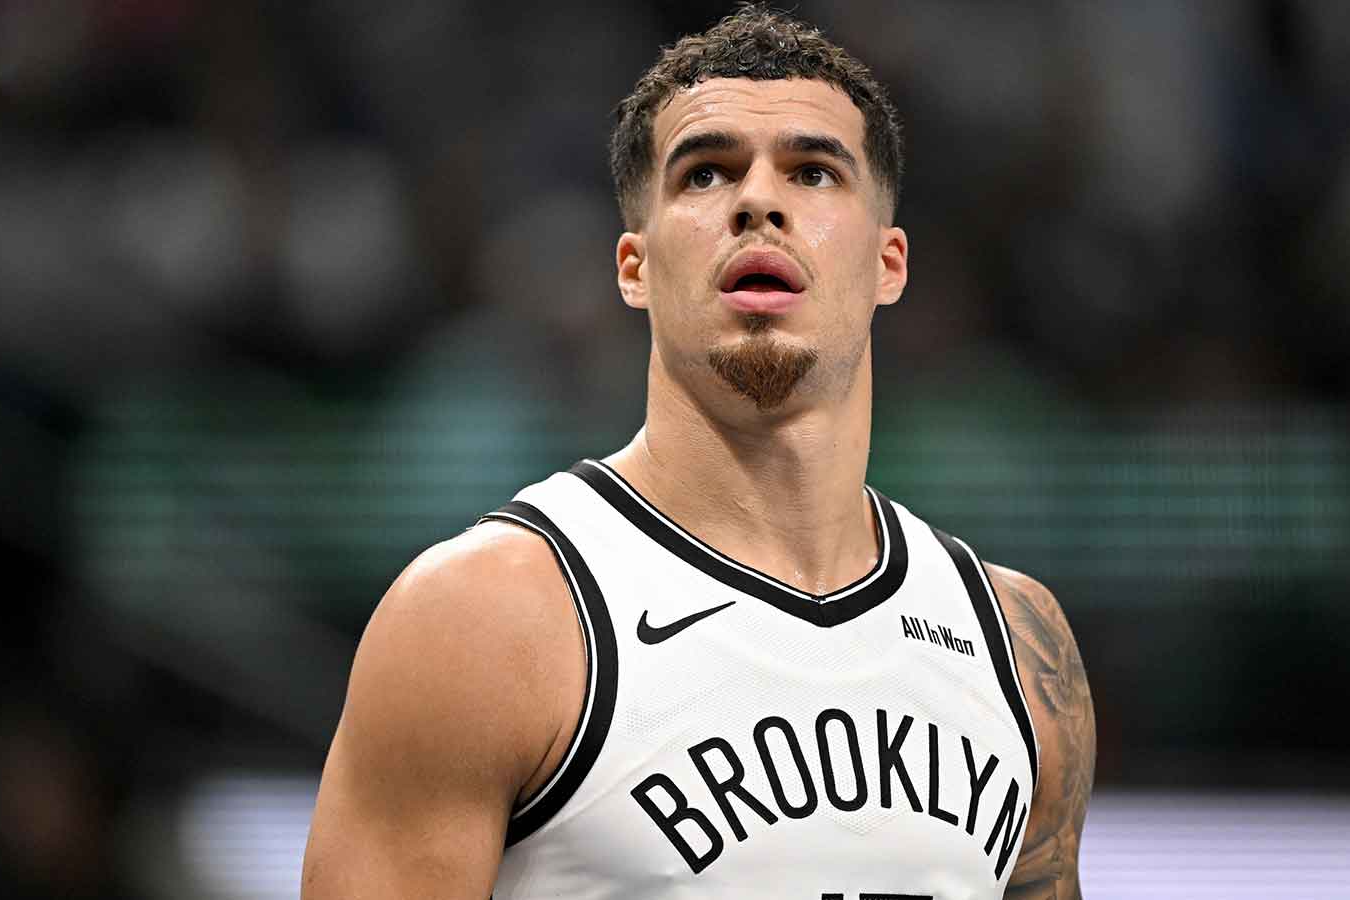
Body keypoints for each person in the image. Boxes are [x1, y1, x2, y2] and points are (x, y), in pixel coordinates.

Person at [301, 5, 1095, 898]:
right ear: (634, 267)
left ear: (889, 262)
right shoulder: (486, 620)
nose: (760, 200)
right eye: (707, 172)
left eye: (814, 172)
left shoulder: (1018, 649)